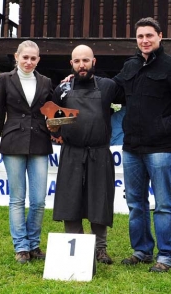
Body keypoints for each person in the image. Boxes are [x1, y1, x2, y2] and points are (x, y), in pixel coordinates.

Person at [113, 17, 171, 273]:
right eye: (140, 37)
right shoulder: (130, 65)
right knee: (135, 203)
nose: (145, 40)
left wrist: (163, 127)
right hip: (132, 148)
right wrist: (83, 78)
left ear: (160, 36)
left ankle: (166, 255)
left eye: (149, 35)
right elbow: (111, 90)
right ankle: (142, 250)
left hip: (161, 148)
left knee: (163, 203)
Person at [50, 45, 124, 265]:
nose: (81, 65)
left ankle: (100, 249)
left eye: (85, 60)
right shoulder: (61, 89)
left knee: (99, 200)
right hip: (71, 152)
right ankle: (76, 245)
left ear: (94, 62)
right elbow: (52, 120)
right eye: (77, 61)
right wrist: (56, 129)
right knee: (70, 200)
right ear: (71, 64)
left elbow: (132, 100)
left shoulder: (109, 86)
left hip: (99, 152)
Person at [0, 41, 53, 264]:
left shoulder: (46, 82)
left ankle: (34, 244)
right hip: (12, 142)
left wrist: (67, 86)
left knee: (39, 200)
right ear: (17, 57)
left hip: (39, 143)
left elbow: (52, 108)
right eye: (25, 57)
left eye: (33, 58)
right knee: (17, 199)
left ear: (38, 60)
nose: (28, 62)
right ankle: (21, 247)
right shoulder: (5, 79)